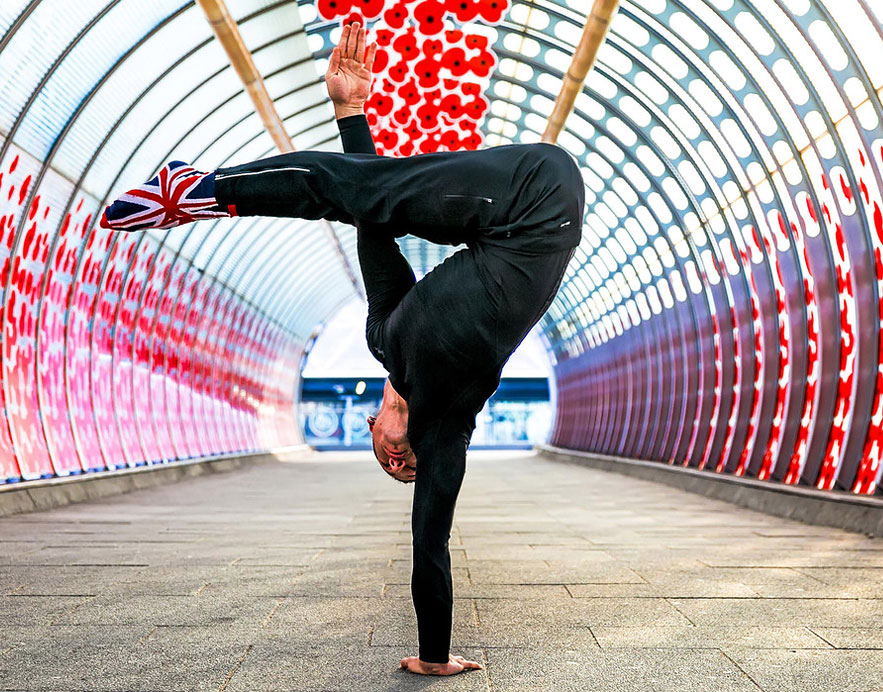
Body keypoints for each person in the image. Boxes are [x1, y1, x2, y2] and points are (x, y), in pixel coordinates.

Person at [100, 23, 584, 677]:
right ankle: (199, 191)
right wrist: (440, 658)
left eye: (384, 455)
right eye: (397, 458)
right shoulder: (449, 418)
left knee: (355, 196)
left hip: (504, 218)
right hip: (535, 199)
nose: (390, 449)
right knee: (341, 185)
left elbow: (372, 219)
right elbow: (430, 540)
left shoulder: (385, 337)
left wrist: (350, 111)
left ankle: (201, 191)